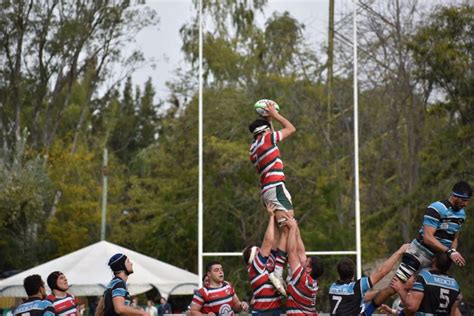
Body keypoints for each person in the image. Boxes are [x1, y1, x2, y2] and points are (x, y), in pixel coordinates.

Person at [364, 181, 471, 313]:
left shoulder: (461, 215)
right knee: (394, 287)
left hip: (437, 260)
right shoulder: (437, 208)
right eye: (464, 200)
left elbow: (454, 238)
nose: (465, 204)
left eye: (468, 201)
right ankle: (366, 313)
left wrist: (453, 251)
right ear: (455, 196)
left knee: (433, 294)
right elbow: (428, 237)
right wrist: (449, 251)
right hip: (419, 253)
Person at [328, 244, 409, 315]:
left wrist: (379, 293)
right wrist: (400, 251)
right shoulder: (357, 286)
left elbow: (358, 296)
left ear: (338, 273)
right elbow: (382, 272)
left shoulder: (333, 287)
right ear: (353, 273)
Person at [242, 206, 290, 314]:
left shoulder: (267, 262)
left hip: (274, 311)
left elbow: (276, 238)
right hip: (263, 312)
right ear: (253, 257)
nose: (261, 249)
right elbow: (268, 241)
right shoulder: (255, 267)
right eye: (258, 250)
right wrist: (271, 216)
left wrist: (278, 216)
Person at [391, 252, 461, 315]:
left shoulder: (425, 277)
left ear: (434, 260)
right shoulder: (454, 284)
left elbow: (412, 307)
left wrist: (400, 290)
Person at [285, 219, 323, 315]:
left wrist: (293, 228)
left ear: (309, 269)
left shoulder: (303, 280)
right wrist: (296, 229)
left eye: (306, 262)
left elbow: (292, 252)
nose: (303, 261)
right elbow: (301, 252)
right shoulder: (311, 281)